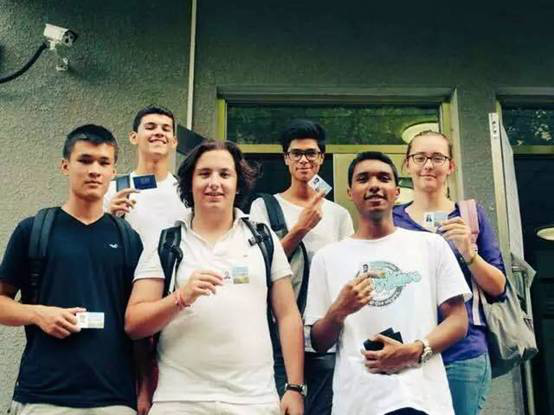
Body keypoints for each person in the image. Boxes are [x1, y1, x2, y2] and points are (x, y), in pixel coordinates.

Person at [125, 140, 305, 415]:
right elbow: (134, 323)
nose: (214, 183)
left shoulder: (262, 237)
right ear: (190, 183)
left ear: (238, 183)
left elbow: (288, 316)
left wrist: (294, 388)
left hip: (254, 401)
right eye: (204, 173)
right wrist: (181, 297)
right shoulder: (166, 241)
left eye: (224, 174)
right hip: (179, 402)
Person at [305, 151, 471, 415]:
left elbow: (458, 321)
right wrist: (339, 310)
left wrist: (414, 351)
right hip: (358, 403)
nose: (374, 185)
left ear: (396, 192)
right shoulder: (327, 258)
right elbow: (318, 342)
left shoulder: (430, 245)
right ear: (350, 192)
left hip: (423, 399)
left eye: (383, 178)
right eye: (363, 179)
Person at [0, 125, 143, 414]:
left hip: (114, 398)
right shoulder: (34, 230)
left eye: (103, 163)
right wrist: (38, 314)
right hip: (43, 396)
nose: (94, 171)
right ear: (65, 166)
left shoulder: (128, 239)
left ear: (113, 172)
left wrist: (145, 387)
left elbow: (138, 323)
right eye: (85, 160)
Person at [393, 130, 507, 415]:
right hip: (406, 349)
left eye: (437, 158)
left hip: (463, 351)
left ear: (451, 166)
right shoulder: (392, 219)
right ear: (407, 164)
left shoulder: (470, 214)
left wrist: (469, 252)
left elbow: (498, 287)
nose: (428, 165)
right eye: (420, 157)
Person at [250, 119, 353, 414]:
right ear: (286, 158)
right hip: (276, 332)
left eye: (311, 153)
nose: (304, 160)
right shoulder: (263, 207)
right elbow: (258, 265)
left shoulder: (338, 214)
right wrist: (300, 229)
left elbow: (346, 271)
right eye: (296, 153)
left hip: (324, 336)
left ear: (321, 157)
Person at [103, 105, 188, 248]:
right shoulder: (111, 191)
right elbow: (95, 245)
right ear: (133, 137)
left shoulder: (187, 192)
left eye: (166, 129)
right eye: (150, 127)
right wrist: (108, 221)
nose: (159, 132)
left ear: (174, 142)